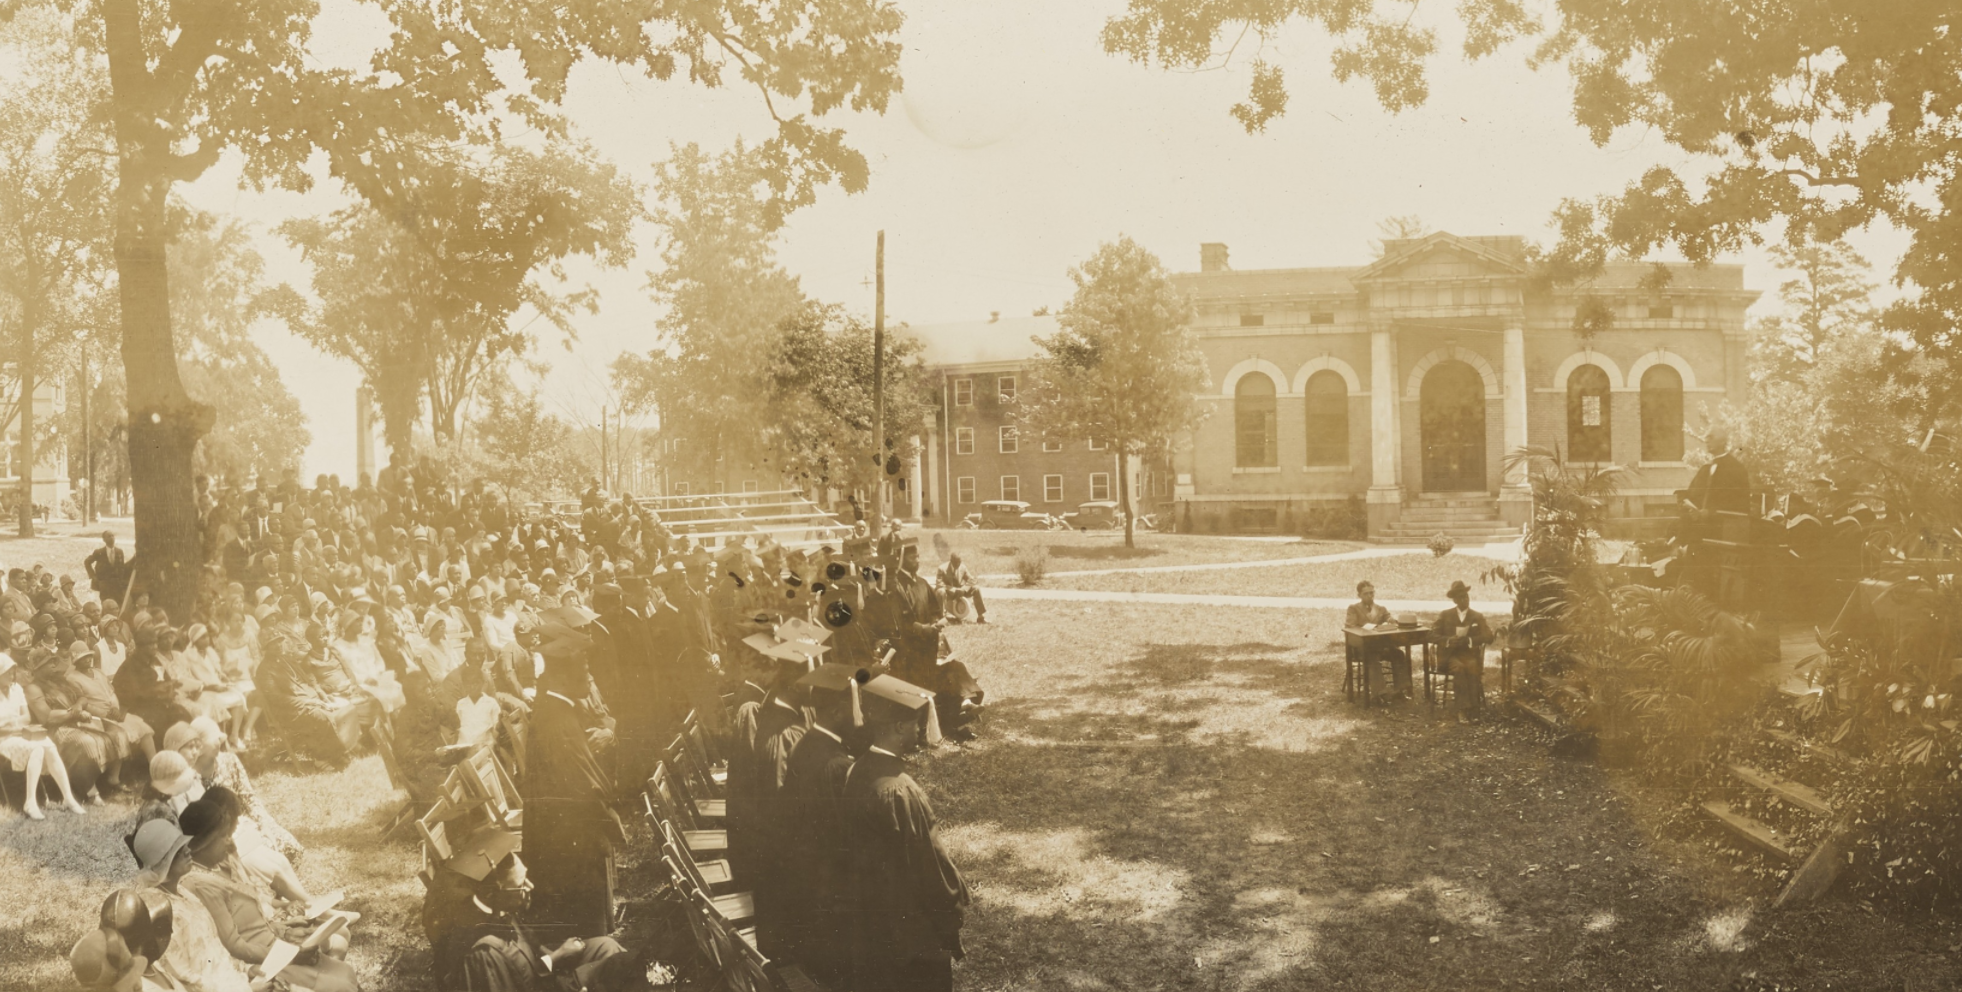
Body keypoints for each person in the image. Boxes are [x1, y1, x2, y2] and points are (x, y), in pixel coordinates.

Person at [846, 674, 969, 992]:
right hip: (912, 931)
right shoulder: (899, 789)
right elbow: (928, 865)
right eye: (915, 723)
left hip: (874, 918)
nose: (918, 729)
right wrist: (951, 914)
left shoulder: (857, 769)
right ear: (898, 727)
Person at [173, 795, 360, 992]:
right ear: (204, 842)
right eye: (222, 836)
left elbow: (253, 920)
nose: (229, 841)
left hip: (277, 947)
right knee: (342, 986)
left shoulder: (217, 866)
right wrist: (291, 954)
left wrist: (286, 931)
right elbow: (234, 945)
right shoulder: (200, 885)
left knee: (346, 973)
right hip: (265, 963)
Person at [430, 844, 639, 992]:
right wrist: (557, 961)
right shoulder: (483, 952)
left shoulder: (500, 910)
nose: (530, 887)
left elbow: (529, 959)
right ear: (493, 895)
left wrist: (557, 956)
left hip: (542, 976)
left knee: (606, 946)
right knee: (619, 967)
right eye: (521, 885)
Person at [779, 662, 860, 987]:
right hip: (830, 882)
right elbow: (846, 834)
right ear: (841, 710)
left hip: (804, 871)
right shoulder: (837, 765)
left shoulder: (806, 744)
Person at [128, 818, 256, 992]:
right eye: (179, 850)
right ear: (164, 861)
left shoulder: (183, 892)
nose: (188, 851)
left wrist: (246, 969)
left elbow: (214, 951)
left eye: (184, 845)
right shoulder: (159, 912)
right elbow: (184, 978)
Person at [0, 648, 89, 818]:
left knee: (49, 744)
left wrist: (13, 724)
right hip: (3, 739)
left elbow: (26, 717)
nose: (12, 676)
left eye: (13, 672)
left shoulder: (16, 689)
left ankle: (68, 798)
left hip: (21, 733)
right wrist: (13, 726)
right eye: (8, 673)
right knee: (37, 749)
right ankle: (30, 802)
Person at [1432, 581, 1495, 719]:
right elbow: (1431, 635)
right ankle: (1462, 710)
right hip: (1449, 656)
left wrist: (1470, 640)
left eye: (1466, 596)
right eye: (1461, 597)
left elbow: (1489, 637)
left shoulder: (1476, 616)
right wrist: (1448, 640)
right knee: (1459, 668)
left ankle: (1474, 710)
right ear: (1454, 600)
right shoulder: (1445, 615)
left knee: (1472, 666)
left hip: (1469, 655)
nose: (1465, 599)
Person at [1344, 580, 1411, 698]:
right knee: (1372, 658)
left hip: (1381, 646)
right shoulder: (1353, 608)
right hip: (1362, 647)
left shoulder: (1381, 609)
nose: (1370, 596)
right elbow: (1350, 626)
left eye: (1372, 593)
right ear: (1359, 595)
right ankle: (1381, 694)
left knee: (1398, 654)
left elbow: (1389, 618)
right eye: (1366, 594)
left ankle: (1401, 690)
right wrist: (1368, 628)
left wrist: (1391, 620)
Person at [933, 551, 987, 624]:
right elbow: (939, 584)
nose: (958, 564)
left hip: (960, 591)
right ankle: (941, 618)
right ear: (951, 561)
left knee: (976, 588)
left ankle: (981, 617)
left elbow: (972, 580)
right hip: (948, 593)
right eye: (956, 562)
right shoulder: (942, 568)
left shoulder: (962, 567)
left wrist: (964, 589)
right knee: (940, 591)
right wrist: (952, 589)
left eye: (959, 562)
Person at [86, 531, 131, 602]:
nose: (112, 538)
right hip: (104, 584)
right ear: (104, 539)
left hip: (117, 584)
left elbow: (122, 567)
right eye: (109, 536)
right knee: (106, 602)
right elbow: (87, 562)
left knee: (119, 602)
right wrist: (93, 576)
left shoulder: (119, 552)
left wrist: (121, 579)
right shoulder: (99, 552)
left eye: (113, 536)